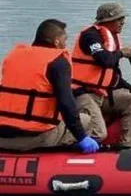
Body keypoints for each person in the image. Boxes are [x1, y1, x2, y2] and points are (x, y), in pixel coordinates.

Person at [0, 19, 101, 153]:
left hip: (3, 135)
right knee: (86, 120)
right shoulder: (58, 62)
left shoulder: (13, 56)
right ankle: (68, 160)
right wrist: (82, 137)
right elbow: (66, 104)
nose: (66, 44)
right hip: (34, 137)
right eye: (65, 39)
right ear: (57, 41)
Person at [71, 2, 131, 149]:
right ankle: (69, 146)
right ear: (107, 20)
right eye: (119, 19)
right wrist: (121, 53)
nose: (123, 22)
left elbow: (111, 75)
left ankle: (126, 148)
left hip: (102, 94)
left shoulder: (111, 39)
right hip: (83, 94)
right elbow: (105, 60)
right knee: (99, 133)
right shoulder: (90, 36)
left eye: (123, 18)